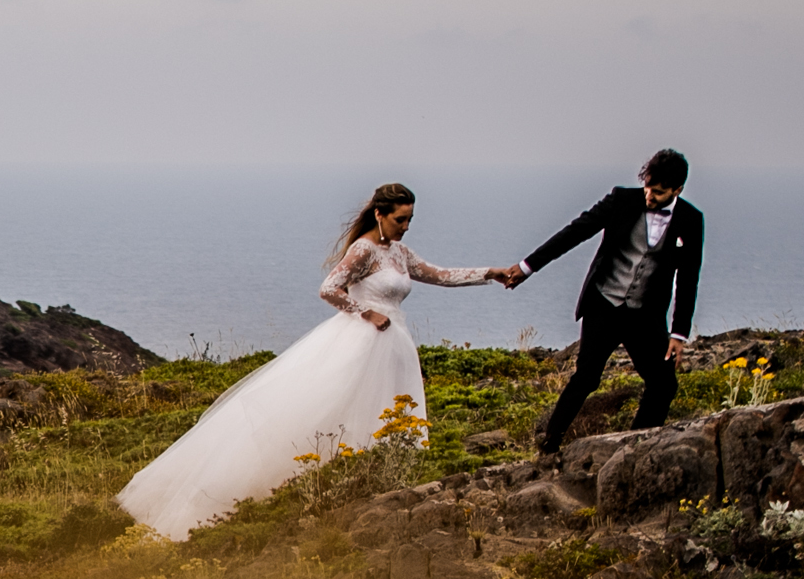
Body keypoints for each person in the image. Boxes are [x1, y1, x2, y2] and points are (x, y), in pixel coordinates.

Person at [118, 183, 514, 541]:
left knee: (382, 414)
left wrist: (489, 273)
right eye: (400, 219)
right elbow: (328, 288)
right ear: (380, 214)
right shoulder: (364, 250)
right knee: (329, 411)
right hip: (361, 340)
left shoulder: (399, 252)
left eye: (410, 219)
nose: (406, 227)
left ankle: (374, 478)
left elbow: (439, 275)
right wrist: (367, 312)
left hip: (394, 344)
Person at [512, 149, 705, 454]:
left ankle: (635, 446)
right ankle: (548, 445)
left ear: (677, 190)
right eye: (647, 187)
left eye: (658, 192)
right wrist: (527, 267)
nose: (649, 196)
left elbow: (689, 278)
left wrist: (678, 334)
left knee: (664, 384)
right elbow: (574, 233)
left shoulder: (692, 220)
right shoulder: (621, 200)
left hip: (645, 315)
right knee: (586, 378)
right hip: (604, 305)